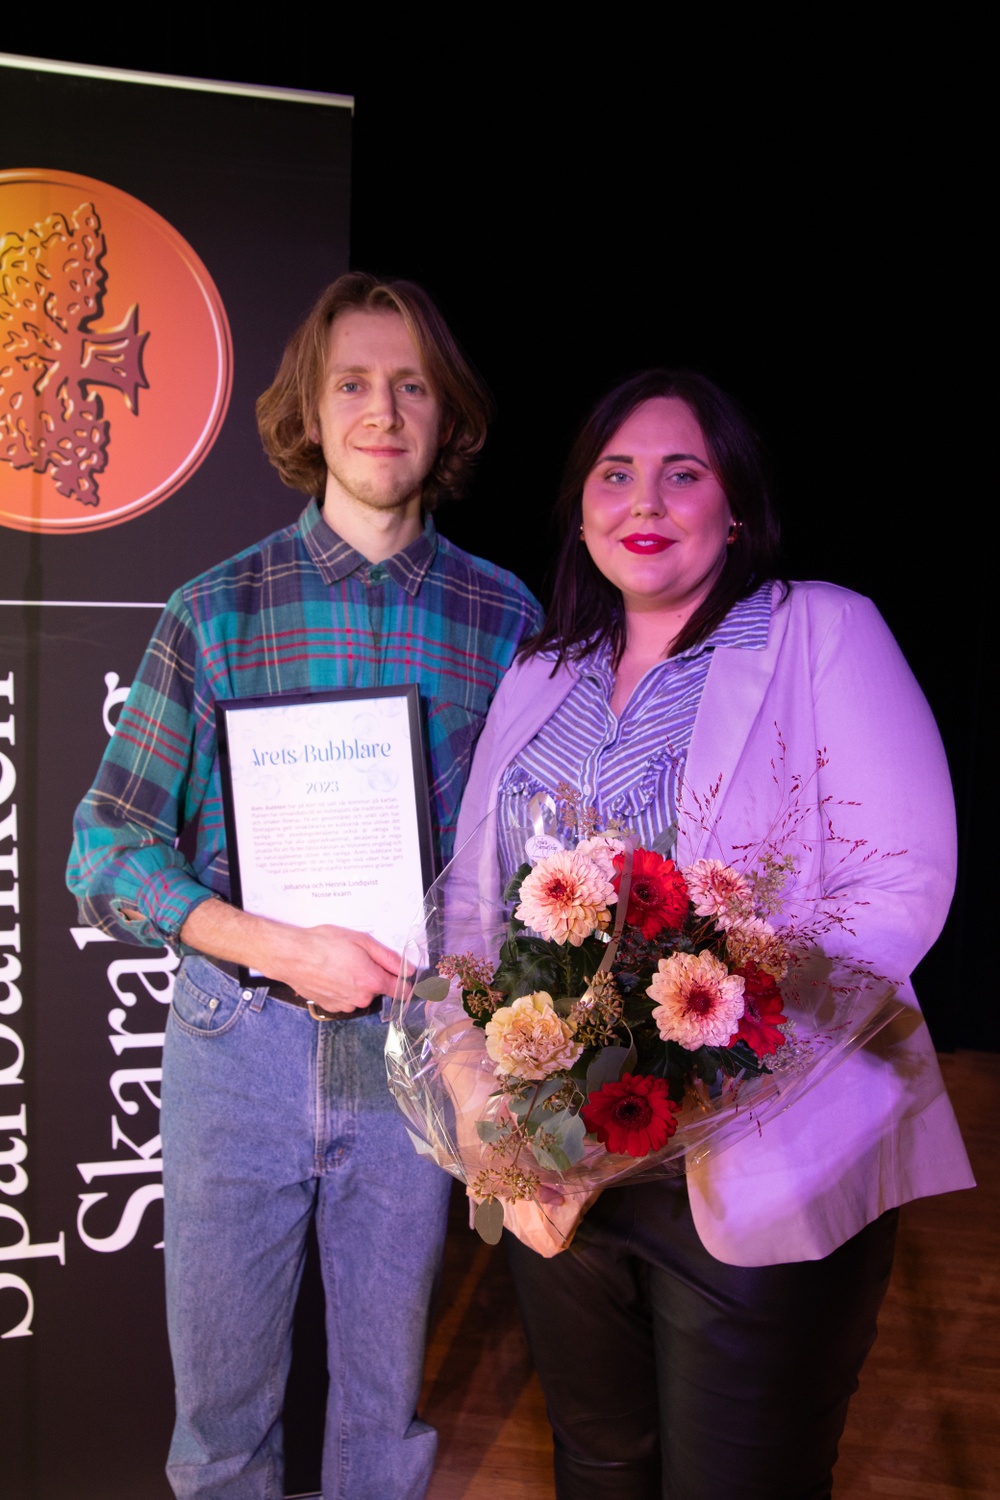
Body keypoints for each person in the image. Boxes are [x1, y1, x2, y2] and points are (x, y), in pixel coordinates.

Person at [454, 370, 974, 1499]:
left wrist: (687, 1062)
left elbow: (899, 886)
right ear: (580, 506)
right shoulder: (541, 672)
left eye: (681, 472)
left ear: (732, 506)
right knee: (598, 1468)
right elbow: (470, 907)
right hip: (563, 1173)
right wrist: (489, 1113)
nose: (646, 497)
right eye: (615, 472)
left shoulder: (819, 631)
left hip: (764, 1156)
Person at [67, 272, 540, 1500]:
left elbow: (533, 861)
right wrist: (278, 946)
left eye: (410, 386)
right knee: (222, 1427)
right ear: (309, 414)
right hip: (241, 1048)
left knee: (382, 1421)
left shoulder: (506, 622)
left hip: (413, 1059)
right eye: (351, 385)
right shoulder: (214, 612)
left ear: (447, 419)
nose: (381, 411)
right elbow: (106, 849)